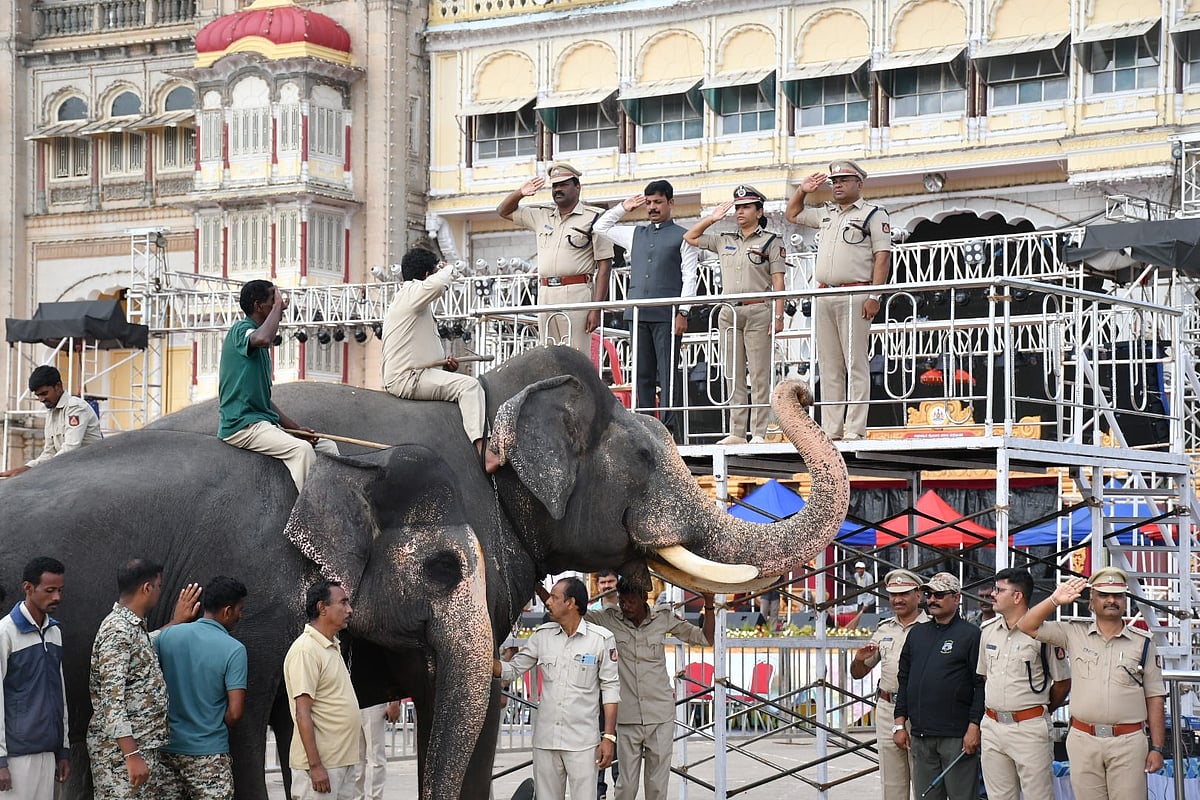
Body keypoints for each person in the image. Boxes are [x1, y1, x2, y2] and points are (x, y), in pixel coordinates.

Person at [1017, 567, 1167, 800]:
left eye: (1117, 596)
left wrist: (1157, 748)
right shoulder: (1074, 633)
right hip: (1083, 739)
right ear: (1091, 602)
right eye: (1104, 595)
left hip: (1127, 742)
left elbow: (1155, 696)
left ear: (1125, 601)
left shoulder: (1143, 643)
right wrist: (1055, 600)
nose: (1111, 600)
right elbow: (1027, 625)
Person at [785, 161, 891, 441]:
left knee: (855, 363)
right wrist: (802, 190)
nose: (838, 185)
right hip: (825, 293)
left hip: (856, 293)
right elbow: (792, 213)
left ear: (860, 184)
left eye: (845, 179)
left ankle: (855, 428)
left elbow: (883, 257)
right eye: (835, 181)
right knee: (830, 366)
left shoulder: (873, 214)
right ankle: (832, 429)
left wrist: (874, 295)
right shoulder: (826, 213)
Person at [583, 577, 713, 800]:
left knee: (656, 787)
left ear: (644, 598)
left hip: (659, 716)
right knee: (625, 787)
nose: (625, 607)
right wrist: (545, 593)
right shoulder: (609, 618)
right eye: (622, 602)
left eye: (631, 602)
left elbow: (705, 638)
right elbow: (572, 614)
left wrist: (709, 606)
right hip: (627, 718)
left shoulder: (663, 618)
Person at [496, 577, 619, 800]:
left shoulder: (601, 640)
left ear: (571, 603)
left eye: (554, 597)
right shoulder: (542, 636)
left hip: (582, 743)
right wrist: (484, 661)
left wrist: (608, 737)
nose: (548, 602)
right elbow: (512, 670)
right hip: (546, 741)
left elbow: (611, 690)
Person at [593, 181, 700, 437]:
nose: (652, 208)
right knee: (642, 374)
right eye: (649, 202)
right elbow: (600, 226)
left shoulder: (684, 236)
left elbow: (690, 277)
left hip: (666, 314)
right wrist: (623, 207)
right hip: (638, 313)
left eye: (658, 202)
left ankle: (667, 429)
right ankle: (644, 429)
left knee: (667, 374)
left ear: (670, 203)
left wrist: (683, 311)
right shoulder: (636, 233)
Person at [88, 559, 199, 800]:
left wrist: (176, 622)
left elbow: (145, 644)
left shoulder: (131, 627)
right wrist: (131, 756)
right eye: (159, 585)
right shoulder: (117, 631)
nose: (161, 590)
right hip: (119, 759)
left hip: (140, 749)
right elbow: (112, 702)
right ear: (146, 588)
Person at [684, 185, 787, 444]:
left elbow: (778, 281)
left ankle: (759, 432)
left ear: (759, 211)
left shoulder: (771, 241)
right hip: (729, 312)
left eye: (746, 207)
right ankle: (737, 431)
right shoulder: (724, 239)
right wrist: (712, 218)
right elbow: (691, 236)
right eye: (738, 207)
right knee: (733, 373)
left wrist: (778, 315)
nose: (740, 212)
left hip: (758, 309)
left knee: (760, 374)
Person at [218, 280, 338, 493]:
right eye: (273, 302)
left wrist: (296, 428)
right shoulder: (241, 330)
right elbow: (263, 338)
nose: (281, 307)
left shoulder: (257, 340)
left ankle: (335, 497)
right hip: (241, 426)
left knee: (327, 447)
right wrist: (277, 307)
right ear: (258, 306)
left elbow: (264, 400)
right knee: (301, 451)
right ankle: (316, 517)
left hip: (261, 422)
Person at [380, 247, 490, 463]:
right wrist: (448, 268)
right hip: (409, 378)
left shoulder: (410, 299)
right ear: (426, 276)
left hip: (418, 373)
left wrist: (442, 365)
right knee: (470, 387)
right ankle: (484, 451)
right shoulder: (412, 293)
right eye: (434, 272)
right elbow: (440, 284)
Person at [497, 162, 614, 353]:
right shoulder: (542, 215)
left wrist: (596, 308)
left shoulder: (595, 217)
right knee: (548, 354)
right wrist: (520, 192)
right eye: (554, 186)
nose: (558, 190)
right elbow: (503, 211)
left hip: (577, 292)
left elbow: (604, 266)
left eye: (564, 185)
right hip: (545, 292)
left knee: (576, 355)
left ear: (577, 187)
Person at [976, 568, 1069, 800]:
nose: (992, 595)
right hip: (992, 725)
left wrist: (1038, 710)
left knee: (1038, 795)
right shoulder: (987, 631)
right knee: (998, 796)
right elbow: (986, 677)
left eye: (999, 590)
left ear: (1017, 597)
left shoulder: (1044, 633)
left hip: (1029, 728)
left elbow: (1062, 683)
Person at [154, 576, 249, 800]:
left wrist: (175, 621)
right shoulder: (234, 650)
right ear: (227, 611)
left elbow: (140, 647)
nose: (240, 616)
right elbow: (235, 713)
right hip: (209, 753)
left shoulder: (167, 637)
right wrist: (211, 725)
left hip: (167, 750)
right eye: (239, 609)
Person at [893, 572, 984, 800]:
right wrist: (899, 724)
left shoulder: (971, 635)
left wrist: (974, 727)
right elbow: (904, 680)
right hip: (921, 735)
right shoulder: (917, 634)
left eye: (939, 595)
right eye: (929, 594)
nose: (932, 599)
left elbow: (981, 685)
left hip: (957, 735)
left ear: (956, 598)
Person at [848, 569, 928, 800]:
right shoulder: (884, 629)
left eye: (903, 593)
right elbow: (858, 673)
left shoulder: (931, 626)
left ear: (918, 595)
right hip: (887, 708)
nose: (897, 599)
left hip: (921, 709)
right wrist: (859, 659)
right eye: (893, 594)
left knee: (924, 778)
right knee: (892, 782)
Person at [283, 580, 364, 800]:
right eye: (343, 603)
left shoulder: (331, 646)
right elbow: (303, 713)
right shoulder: (306, 650)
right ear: (322, 608)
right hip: (323, 766)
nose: (350, 610)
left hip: (342, 762)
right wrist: (316, 766)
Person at [0, 557, 70, 800]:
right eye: (49, 590)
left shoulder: (55, 632)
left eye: (60, 590)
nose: (57, 598)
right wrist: (0, 760)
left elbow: (59, 694)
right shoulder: (5, 633)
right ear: (28, 588)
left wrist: (63, 750)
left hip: (48, 753)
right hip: (16, 758)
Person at [0, 366, 102, 478]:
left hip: (90, 472)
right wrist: (27, 468)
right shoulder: (51, 412)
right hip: (69, 470)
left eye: (44, 393)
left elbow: (70, 449)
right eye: (38, 395)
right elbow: (49, 452)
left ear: (58, 386)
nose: (41, 399)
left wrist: (36, 471)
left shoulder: (75, 407)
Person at [355, 701, 400, 800]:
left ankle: (375, 797)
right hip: (352, 701)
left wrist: (394, 702)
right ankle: (357, 798)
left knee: (375, 757)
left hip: (374, 702)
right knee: (355, 760)